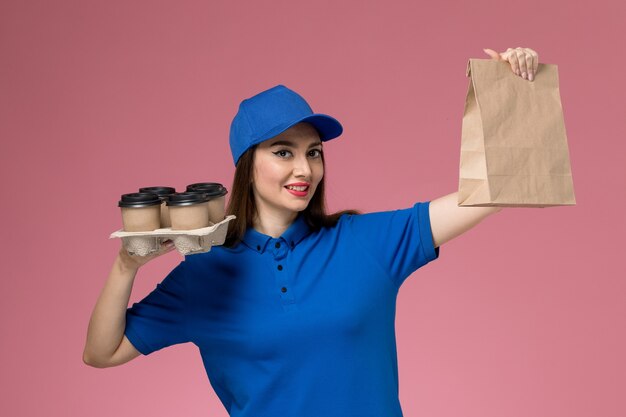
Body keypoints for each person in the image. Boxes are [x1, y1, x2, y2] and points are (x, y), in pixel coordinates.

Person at [84, 47, 539, 416]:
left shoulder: (368, 242)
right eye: (284, 152)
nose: (304, 168)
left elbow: (490, 193)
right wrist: (127, 265)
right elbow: (102, 353)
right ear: (248, 165)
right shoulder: (204, 274)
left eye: (314, 153)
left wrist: (511, 95)